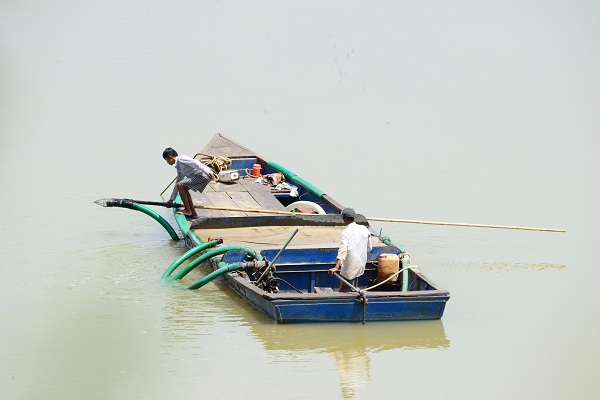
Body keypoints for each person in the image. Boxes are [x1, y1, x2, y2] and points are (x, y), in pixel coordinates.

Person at [163, 148, 218, 219]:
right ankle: (193, 214)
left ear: (170, 157)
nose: (167, 162)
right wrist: (171, 199)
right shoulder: (178, 166)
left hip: (202, 176)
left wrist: (208, 172)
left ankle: (188, 210)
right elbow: (178, 180)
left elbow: (196, 163)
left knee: (180, 185)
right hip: (197, 177)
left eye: (166, 160)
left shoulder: (181, 159)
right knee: (183, 187)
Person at [328, 208, 372, 291]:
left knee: (345, 288)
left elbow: (343, 249)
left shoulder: (346, 232)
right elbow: (369, 247)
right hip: (360, 264)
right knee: (354, 281)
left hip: (349, 266)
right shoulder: (364, 229)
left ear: (344, 219)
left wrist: (336, 267)